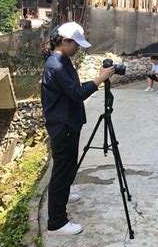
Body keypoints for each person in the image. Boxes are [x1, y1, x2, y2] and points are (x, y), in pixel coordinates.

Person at [41, 21, 115, 235]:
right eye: (76, 44)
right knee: (61, 171)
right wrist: (101, 78)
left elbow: (73, 90)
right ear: (65, 41)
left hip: (68, 123)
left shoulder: (62, 60)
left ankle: (64, 193)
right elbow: (77, 93)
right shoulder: (56, 65)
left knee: (67, 167)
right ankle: (57, 222)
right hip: (62, 125)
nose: (78, 49)